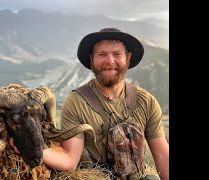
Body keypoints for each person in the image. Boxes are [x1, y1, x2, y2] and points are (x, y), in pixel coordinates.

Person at [12, 27, 169, 180]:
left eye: (117, 54)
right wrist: (31, 149)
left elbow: (162, 156)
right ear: (91, 59)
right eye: (102, 54)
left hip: (139, 174)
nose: (110, 61)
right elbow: (69, 159)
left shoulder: (146, 101)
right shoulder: (76, 102)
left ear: (127, 58)